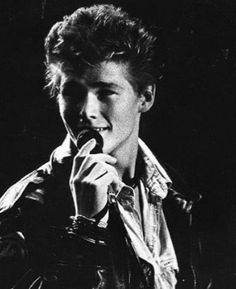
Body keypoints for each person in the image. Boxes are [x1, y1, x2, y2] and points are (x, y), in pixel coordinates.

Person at [0, 4, 191, 289]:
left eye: (105, 92)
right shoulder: (20, 210)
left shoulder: (179, 194)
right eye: (73, 93)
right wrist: (84, 229)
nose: (87, 111)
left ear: (146, 97)